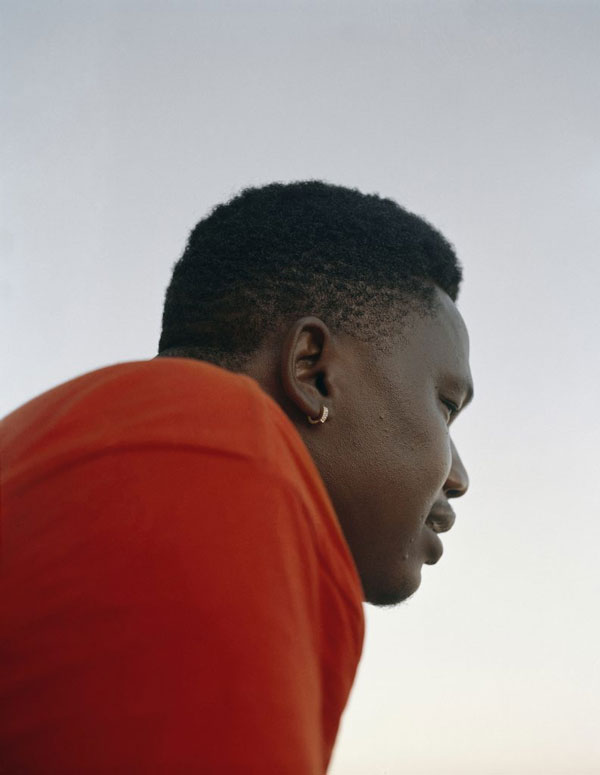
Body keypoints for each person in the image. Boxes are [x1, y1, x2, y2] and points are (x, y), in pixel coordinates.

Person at [0, 181, 473, 774]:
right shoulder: (215, 457)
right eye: (446, 406)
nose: (459, 476)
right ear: (313, 371)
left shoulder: (70, 439)